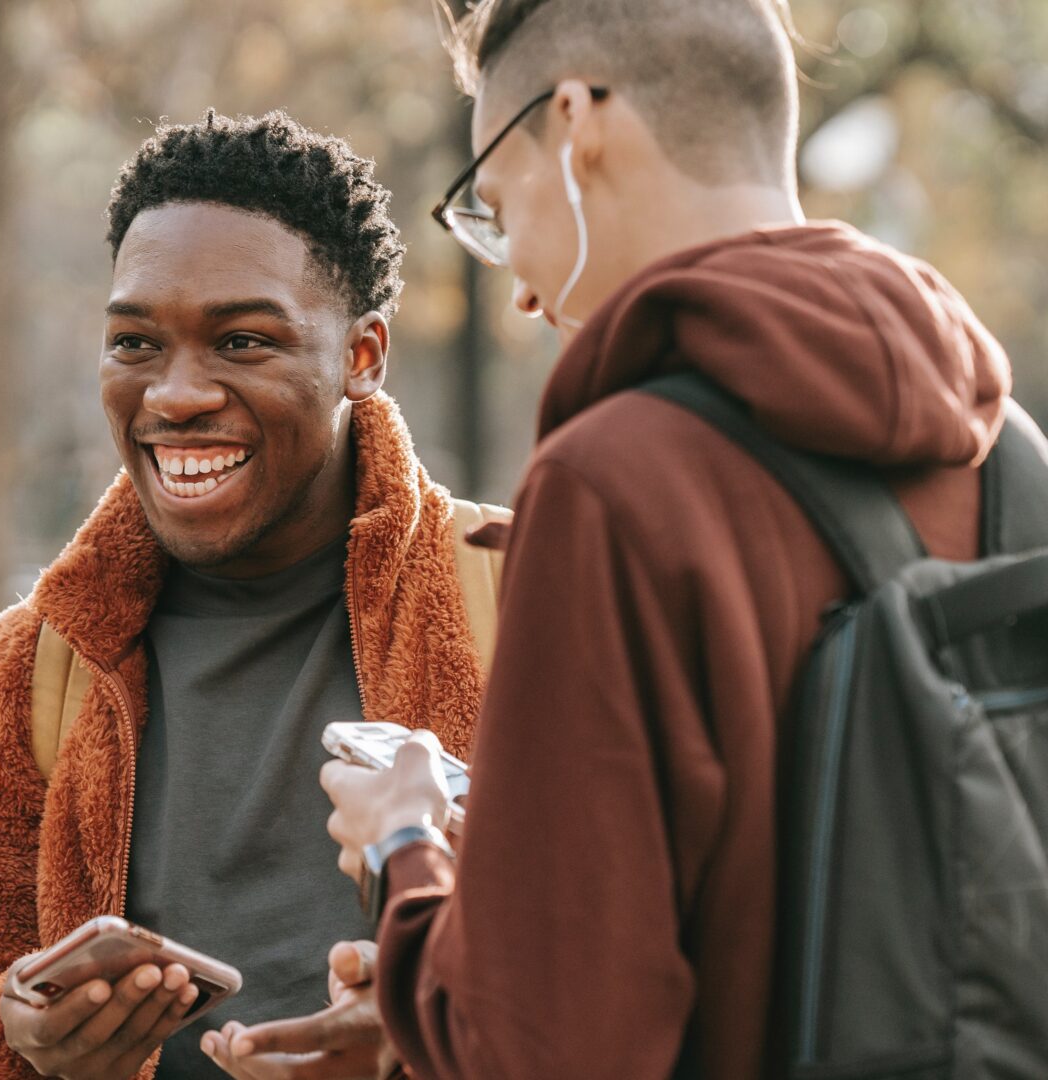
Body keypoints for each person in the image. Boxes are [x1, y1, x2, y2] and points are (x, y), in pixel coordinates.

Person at [295, 0, 1041, 1077]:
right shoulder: (1012, 455)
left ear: (577, 123)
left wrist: (407, 848)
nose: (520, 290)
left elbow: (544, 1049)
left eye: (496, 209)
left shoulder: (614, 486)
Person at [0, 111, 505, 1080]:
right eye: (135, 342)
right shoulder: (21, 683)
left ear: (363, 356)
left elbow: (668, 968)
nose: (175, 395)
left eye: (243, 342)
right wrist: (14, 1042)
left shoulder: (526, 601)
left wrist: (437, 1028)